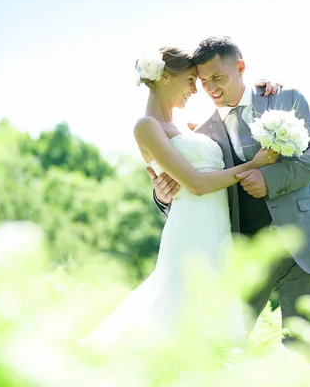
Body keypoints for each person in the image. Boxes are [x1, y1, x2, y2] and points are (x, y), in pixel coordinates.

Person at [151, 36, 310, 356]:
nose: (211, 88)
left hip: (304, 239)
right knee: (226, 345)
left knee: (302, 349)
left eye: (218, 78)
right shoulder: (201, 133)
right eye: (203, 82)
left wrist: (270, 179)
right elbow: (194, 184)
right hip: (243, 252)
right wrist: (163, 196)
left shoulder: (284, 98)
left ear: (240, 68)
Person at [79, 46, 280, 350]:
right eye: (189, 81)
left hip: (217, 229)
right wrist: (255, 165)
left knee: (213, 307)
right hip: (190, 230)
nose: (194, 90)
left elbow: (228, 121)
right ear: (163, 77)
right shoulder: (147, 126)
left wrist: (262, 91)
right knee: (178, 305)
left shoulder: (186, 127)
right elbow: (196, 184)